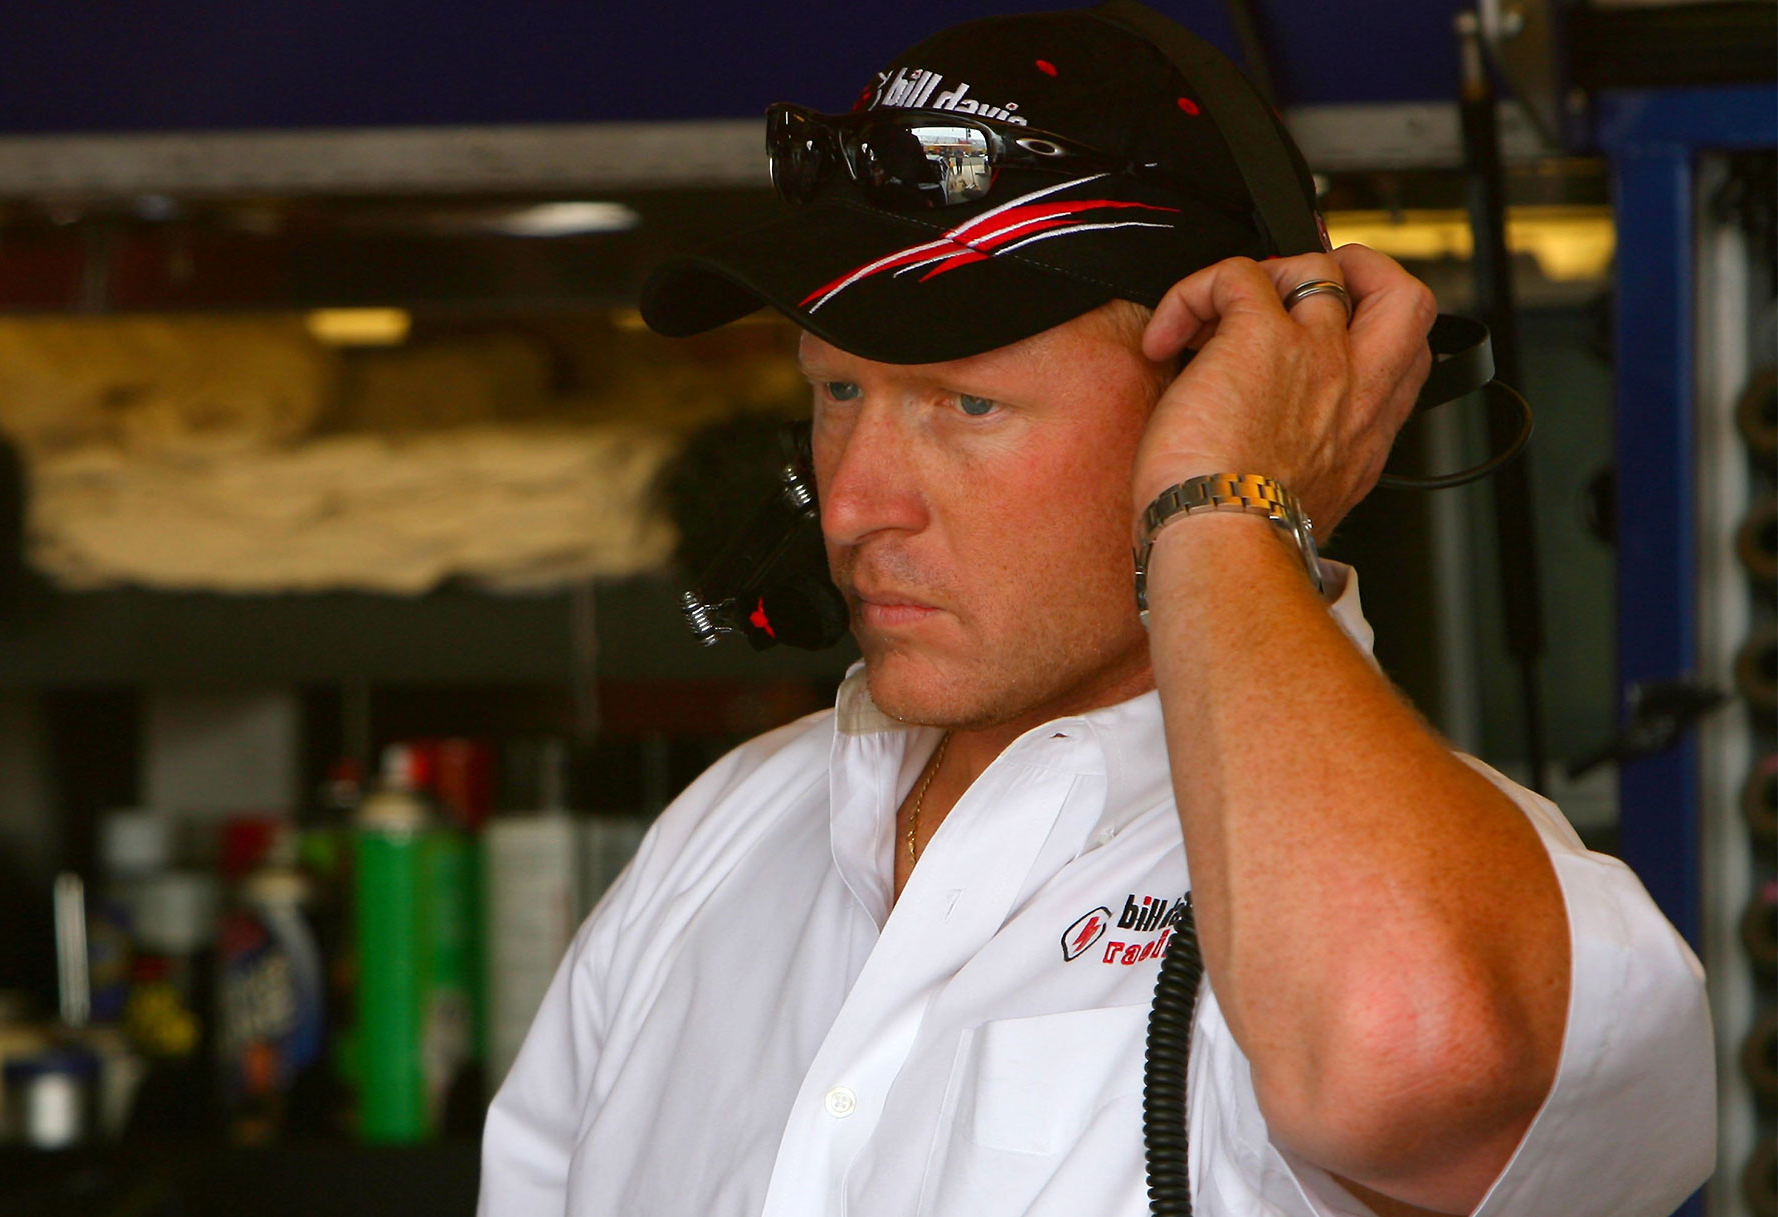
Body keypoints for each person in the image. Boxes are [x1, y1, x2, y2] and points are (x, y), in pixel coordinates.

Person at [479, 7, 1714, 1215]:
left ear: (1216, 396)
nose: (854, 503)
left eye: (967, 405)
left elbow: (1407, 1053)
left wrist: (1230, 509)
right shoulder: (729, 830)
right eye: (839, 389)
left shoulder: (1470, 890)